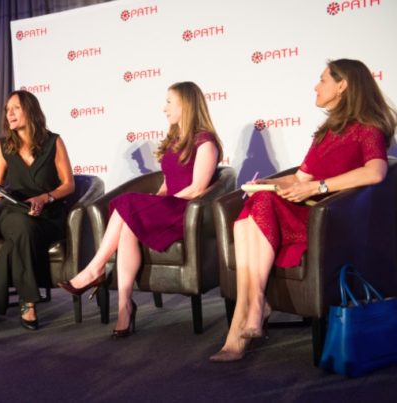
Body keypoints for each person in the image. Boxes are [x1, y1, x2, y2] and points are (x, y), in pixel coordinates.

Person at [210, 59, 397, 362]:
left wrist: (318, 188)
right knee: (247, 217)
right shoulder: (327, 132)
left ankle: (249, 318)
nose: (315, 86)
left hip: (331, 222)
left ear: (342, 85)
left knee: (258, 210)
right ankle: (251, 312)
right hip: (308, 213)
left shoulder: (368, 129)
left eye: (322, 80)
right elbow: (299, 178)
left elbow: (375, 172)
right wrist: (268, 184)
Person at [58, 81, 223, 338]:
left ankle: (94, 269)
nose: (164, 108)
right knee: (127, 227)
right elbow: (167, 183)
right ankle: (125, 306)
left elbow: (197, 189)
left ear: (186, 104)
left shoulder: (206, 141)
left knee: (126, 202)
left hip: (186, 213)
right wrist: (156, 200)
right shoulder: (174, 140)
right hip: (170, 206)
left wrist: (159, 204)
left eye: (169, 102)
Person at [0, 90, 74, 330]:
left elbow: (69, 185)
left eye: (15, 108)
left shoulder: (53, 142)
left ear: (30, 110)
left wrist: (45, 197)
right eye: (7, 110)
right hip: (15, 212)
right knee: (21, 225)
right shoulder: (4, 146)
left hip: (49, 215)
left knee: (16, 240)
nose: (9, 114)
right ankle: (28, 301)